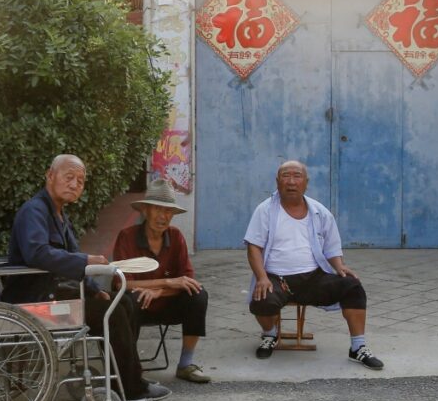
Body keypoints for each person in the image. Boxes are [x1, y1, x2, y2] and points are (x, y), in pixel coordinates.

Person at [1, 154, 171, 401]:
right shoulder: (34, 211)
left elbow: (71, 257)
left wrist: (93, 289)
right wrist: (87, 262)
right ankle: (131, 388)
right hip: (36, 299)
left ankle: (124, 379)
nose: (74, 185)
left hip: (54, 291)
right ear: (50, 176)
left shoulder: (59, 215)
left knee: (125, 301)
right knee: (109, 312)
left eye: (80, 181)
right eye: (69, 177)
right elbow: (36, 253)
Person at [244, 160, 384, 370]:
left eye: (297, 176)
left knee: (352, 285)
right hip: (276, 278)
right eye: (286, 176)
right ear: (277, 181)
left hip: (313, 277)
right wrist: (262, 277)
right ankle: (270, 335)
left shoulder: (319, 211)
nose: (291, 181)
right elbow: (253, 247)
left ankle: (358, 347)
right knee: (262, 298)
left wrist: (339, 266)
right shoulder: (264, 211)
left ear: (306, 182)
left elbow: (331, 245)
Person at [112, 179, 211, 383]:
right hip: (137, 306)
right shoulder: (127, 237)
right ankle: (131, 370)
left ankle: (185, 364)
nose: (163, 216)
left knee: (198, 294)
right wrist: (166, 283)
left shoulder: (176, 237)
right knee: (130, 299)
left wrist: (159, 291)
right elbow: (122, 284)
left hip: (166, 304)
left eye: (168, 211)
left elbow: (186, 281)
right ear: (145, 211)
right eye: (158, 209)